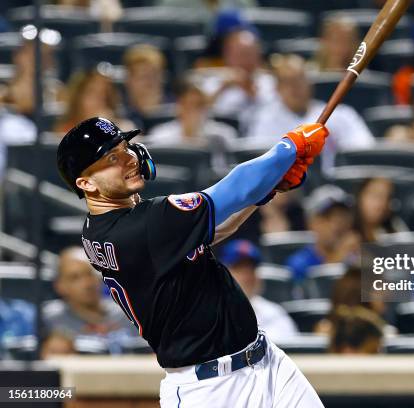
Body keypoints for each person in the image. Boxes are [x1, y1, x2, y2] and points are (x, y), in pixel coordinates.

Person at [56, 116, 327, 407]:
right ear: (85, 183)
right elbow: (234, 188)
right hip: (211, 390)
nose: (129, 159)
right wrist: (288, 148)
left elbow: (209, 232)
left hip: (267, 363)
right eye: (111, 158)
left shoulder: (100, 227)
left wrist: (267, 189)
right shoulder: (144, 225)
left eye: (125, 147)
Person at [247, 54, 374, 172]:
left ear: (310, 83)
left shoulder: (340, 114)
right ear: (277, 89)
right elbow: (259, 164)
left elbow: (364, 151)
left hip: (334, 186)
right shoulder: (265, 120)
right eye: (288, 82)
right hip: (287, 187)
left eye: (299, 80)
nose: (294, 88)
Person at [42, 246, 138, 355]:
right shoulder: (49, 320)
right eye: (75, 278)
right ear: (59, 286)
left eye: (90, 274)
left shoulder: (128, 314)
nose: (87, 284)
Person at [220, 240, 299, 343]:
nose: (247, 276)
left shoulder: (274, 313)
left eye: (251, 269)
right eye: (239, 269)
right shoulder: (209, 312)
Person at [199, 29, 277, 124]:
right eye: (240, 54)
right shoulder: (213, 83)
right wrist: (222, 88)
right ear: (228, 56)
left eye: (249, 54)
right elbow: (198, 111)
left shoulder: (270, 82)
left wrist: (249, 90)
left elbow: (275, 113)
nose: (245, 60)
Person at [285, 185, 360, 283]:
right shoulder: (299, 263)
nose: (337, 223)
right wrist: (339, 256)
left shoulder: (357, 258)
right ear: (312, 222)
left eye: (343, 215)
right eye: (328, 216)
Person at [147, 80, 236, 152]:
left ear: (207, 108)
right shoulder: (160, 135)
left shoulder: (222, 135)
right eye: (187, 104)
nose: (192, 110)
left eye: (198, 105)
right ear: (179, 106)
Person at [3, 26, 64, 118]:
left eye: (45, 55)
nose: (37, 60)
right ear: (17, 55)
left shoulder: (60, 94)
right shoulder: (3, 94)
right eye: (30, 52)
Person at [54, 68, 131, 134]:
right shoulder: (66, 131)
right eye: (92, 92)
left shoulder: (123, 127)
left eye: (104, 94)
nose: (99, 99)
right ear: (78, 97)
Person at [122, 44, 173, 132]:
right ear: (129, 80)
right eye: (143, 77)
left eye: (154, 75)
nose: (149, 82)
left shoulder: (174, 109)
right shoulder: (119, 111)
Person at [353, 177, 408, 243]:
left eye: (388, 197)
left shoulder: (396, 226)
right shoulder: (344, 226)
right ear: (360, 195)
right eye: (375, 195)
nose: (382, 204)